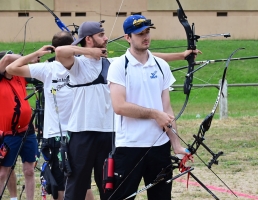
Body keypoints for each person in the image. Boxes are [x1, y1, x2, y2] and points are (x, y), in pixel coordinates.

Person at [55, 20, 199, 200]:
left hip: (108, 131)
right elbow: (60, 51)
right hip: (85, 133)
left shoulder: (110, 62)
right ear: (89, 39)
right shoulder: (80, 64)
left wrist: (182, 55)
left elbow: (150, 57)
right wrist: (88, 51)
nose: (106, 38)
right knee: (78, 184)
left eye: (147, 32)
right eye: (101, 35)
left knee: (107, 187)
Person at [107, 15, 194, 199]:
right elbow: (119, 106)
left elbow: (167, 109)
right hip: (129, 147)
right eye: (139, 34)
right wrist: (155, 114)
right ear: (128, 38)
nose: (145, 37)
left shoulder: (161, 66)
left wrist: (176, 144)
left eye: (147, 32)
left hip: (159, 147)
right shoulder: (118, 66)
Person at [6, 31, 95, 200]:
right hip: (60, 135)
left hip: (75, 133)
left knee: (77, 183)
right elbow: (10, 69)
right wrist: (38, 54)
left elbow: (12, 67)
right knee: (69, 183)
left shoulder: (81, 65)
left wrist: (36, 54)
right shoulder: (48, 68)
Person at [0, 51, 39, 200]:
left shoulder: (20, 77)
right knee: (4, 172)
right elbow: (8, 58)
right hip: (8, 134)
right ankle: (13, 198)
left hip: (27, 131)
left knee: (29, 170)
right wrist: (32, 57)